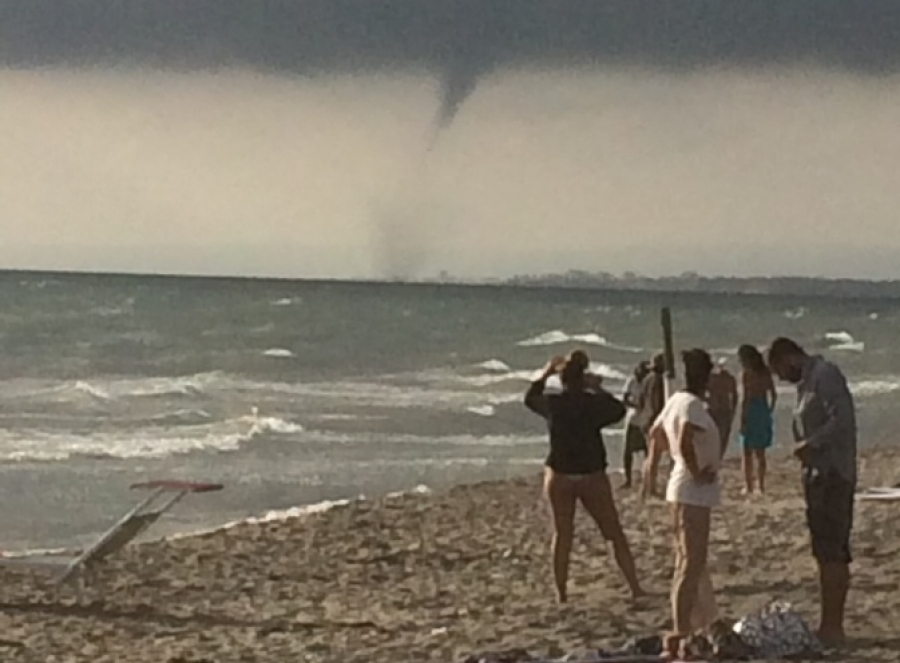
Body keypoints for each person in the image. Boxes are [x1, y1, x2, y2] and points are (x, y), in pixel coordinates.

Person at [525, 351, 645, 603]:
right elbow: (617, 410)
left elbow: (530, 398)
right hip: (591, 473)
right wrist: (597, 389)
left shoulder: (554, 403)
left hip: (560, 473)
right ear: (583, 378)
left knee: (563, 534)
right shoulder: (592, 404)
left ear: (563, 380)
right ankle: (634, 586)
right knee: (612, 531)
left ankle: (561, 593)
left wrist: (546, 373)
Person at [767, 337, 857, 645]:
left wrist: (812, 443)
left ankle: (834, 625)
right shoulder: (806, 384)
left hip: (832, 474)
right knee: (823, 551)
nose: (781, 378)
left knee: (833, 552)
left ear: (789, 357)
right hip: (817, 475)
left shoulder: (825, 376)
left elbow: (842, 419)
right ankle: (828, 623)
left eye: (780, 370)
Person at [644, 349, 721, 656]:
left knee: (687, 560)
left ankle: (693, 623)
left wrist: (653, 469)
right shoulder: (691, 404)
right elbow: (686, 433)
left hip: (682, 489)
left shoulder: (675, 400)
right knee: (691, 562)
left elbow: (656, 435)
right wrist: (693, 468)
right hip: (691, 490)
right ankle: (681, 629)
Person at [737, 345, 777, 495]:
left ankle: (748, 486)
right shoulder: (765, 372)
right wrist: (768, 411)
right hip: (762, 408)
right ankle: (761, 485)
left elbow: (745, 398)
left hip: (751, 410)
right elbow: (773, 394)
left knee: (746, 452)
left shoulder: (746, 374)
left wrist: (743, 418)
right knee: (760, 453)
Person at [621, 361, 651, 489]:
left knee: (648, 450)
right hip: (633, 418)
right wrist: (635, 405)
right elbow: (625, 398)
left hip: (645, 418)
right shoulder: (632, 381)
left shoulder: (649, 382)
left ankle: (647, 477)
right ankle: (628, 479)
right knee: (628, 451)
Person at [706, 358, 738, 457]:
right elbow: (735, 396)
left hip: (714, 408)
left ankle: (715, 456)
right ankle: (718, 456)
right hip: (723, 408)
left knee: (714, 435)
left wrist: (706, 401)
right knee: (722, 436)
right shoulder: (729, 379)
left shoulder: (712, 378)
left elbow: (703, 392)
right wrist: (733, 409)